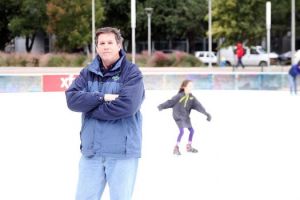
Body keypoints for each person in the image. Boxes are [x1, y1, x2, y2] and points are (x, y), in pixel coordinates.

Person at [65, 27, 145, 200]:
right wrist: (102, 97)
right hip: (92, 152)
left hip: (122, 153)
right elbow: (72, 100)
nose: (106, 46)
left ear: (119, 45)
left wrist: (91, 108)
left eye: (110, 42)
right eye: (102, 43)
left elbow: (127, 106)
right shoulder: (87, 73)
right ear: (97, 47)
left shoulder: (131, 73)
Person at [157, 79, 211, 155]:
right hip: (178, 116)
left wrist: (206, 113)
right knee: (182, 131)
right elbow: (170, 102)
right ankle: (176, 147)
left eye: (192, 86)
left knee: (192, 131)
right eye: (189, 86)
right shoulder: (179, 96)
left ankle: (189, 146)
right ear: (184, 87)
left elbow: (199, 106)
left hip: (185, 116)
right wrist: (161, 106)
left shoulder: (192, 98)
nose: (191, 87)